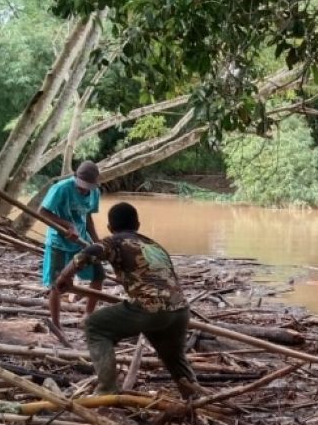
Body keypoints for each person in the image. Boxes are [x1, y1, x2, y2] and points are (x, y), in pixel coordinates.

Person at [48, 202, 202, 400]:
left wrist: (63, 278)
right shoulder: (154, 245)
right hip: (180, 310)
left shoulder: (115, 241)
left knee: (94, 325)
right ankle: (193, 396)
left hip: (150, 308)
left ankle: (107, 390)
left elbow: (86, 254)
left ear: (110, 228)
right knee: (173, 357)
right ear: (137, 225)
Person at [39, 160, 105, 314]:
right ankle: (56, 323)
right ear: (75, 178)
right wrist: (67, 225)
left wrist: (96, 241)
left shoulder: (95, 192)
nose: (83, 191)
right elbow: (42, 212)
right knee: (57, 284)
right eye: (80, 188)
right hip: (59, 243)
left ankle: (88, 315)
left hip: (81, 242)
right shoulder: (61, 188)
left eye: (86, 189)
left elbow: (88, 217)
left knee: (98, 276)